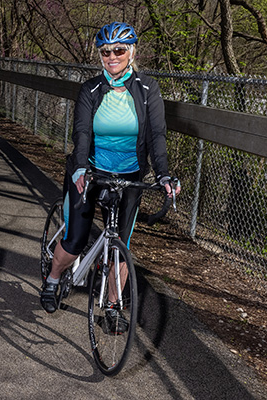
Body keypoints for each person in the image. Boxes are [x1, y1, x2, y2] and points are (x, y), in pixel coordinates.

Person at [39, 22, 179, 331]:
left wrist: (164, 175)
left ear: (132, 52)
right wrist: (79, 169)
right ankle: (52, 278)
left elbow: (157, 134)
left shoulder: (146, 89)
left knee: (121, 244)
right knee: (74, 241)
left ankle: (113, 306)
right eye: (106, 52)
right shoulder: (90, 89)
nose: (112, 56)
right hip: (91, 170)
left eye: (118, 50)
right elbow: (82, 131)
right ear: (100, 55)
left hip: (130, 174)